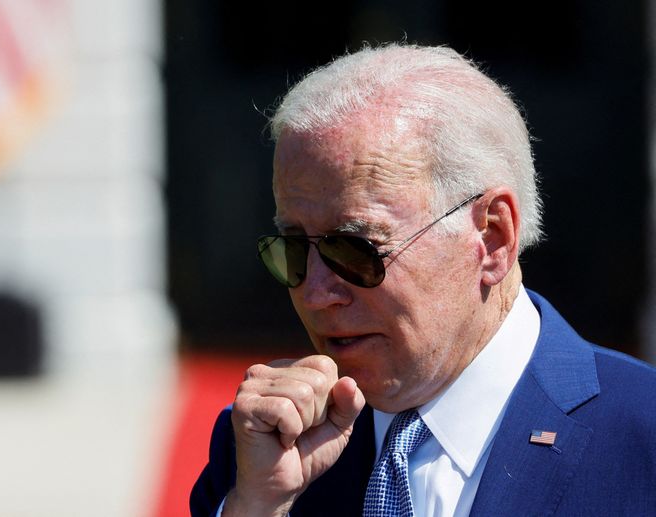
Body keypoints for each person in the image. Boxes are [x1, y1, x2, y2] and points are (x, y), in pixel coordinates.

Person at [190, 43, 656, 516]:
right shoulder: (261, 452)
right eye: (292, 249)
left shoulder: (643, 436)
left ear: (492, 237)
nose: (315, 292)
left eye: (356, 249)